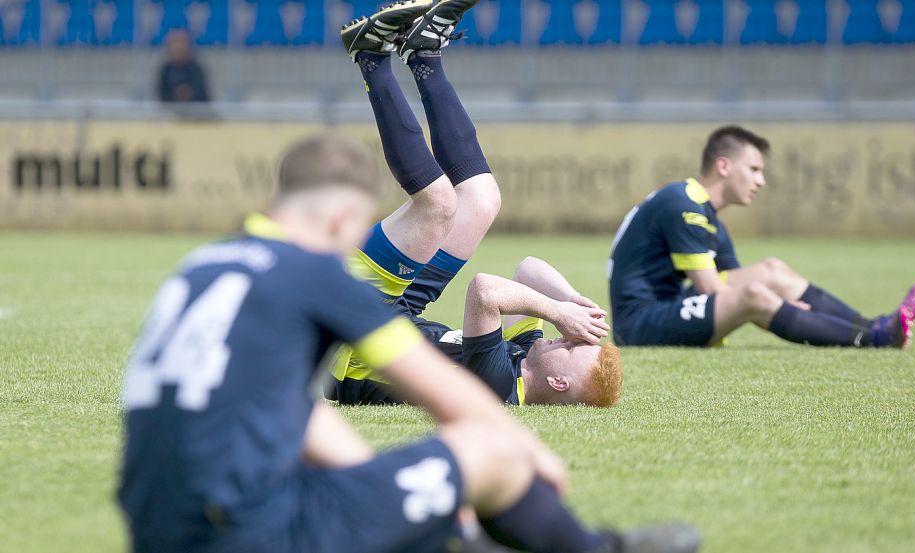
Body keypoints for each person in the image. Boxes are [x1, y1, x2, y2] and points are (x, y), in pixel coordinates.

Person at [116, 128, 700, 553]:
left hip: (156, 530)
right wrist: (531, 453)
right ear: (345, 217)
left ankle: (463, 542)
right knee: (489, 453)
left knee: (379, 488)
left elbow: (301, 416)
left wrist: (393, 490)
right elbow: (450, 399)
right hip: (248, 532)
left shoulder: (202, 263)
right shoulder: (312, 273)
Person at [333, 0, 621, 407]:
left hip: (350, 334)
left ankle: (371, 58)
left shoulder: (498, 388)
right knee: (483, 200)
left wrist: (557, 313)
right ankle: (424, 53)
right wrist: (571, 302)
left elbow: (485, 292)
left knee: (437, 204)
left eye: (573, 348)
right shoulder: (524, 358)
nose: (567, 337)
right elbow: (528, 270)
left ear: (559, 383)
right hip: (398, 315)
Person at [608, 125, 915, 348]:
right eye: (754, 169)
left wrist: (782, 301)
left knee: (771, 270)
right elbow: (711, 289)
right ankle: (876, 340)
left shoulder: (709, 217)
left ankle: (876, 325)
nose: (761, 180)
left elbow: (733, 276)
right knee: (754, 296)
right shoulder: (683, 204)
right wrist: (780, 306)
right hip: (640, 323)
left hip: (670, 305)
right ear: (724, 166)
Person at [157, 29, 211, 103]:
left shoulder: (196, 68)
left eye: (182, 44)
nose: (179, 47)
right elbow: (162, 95)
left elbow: (201, 94)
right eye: (175, 44)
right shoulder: (166, 69)